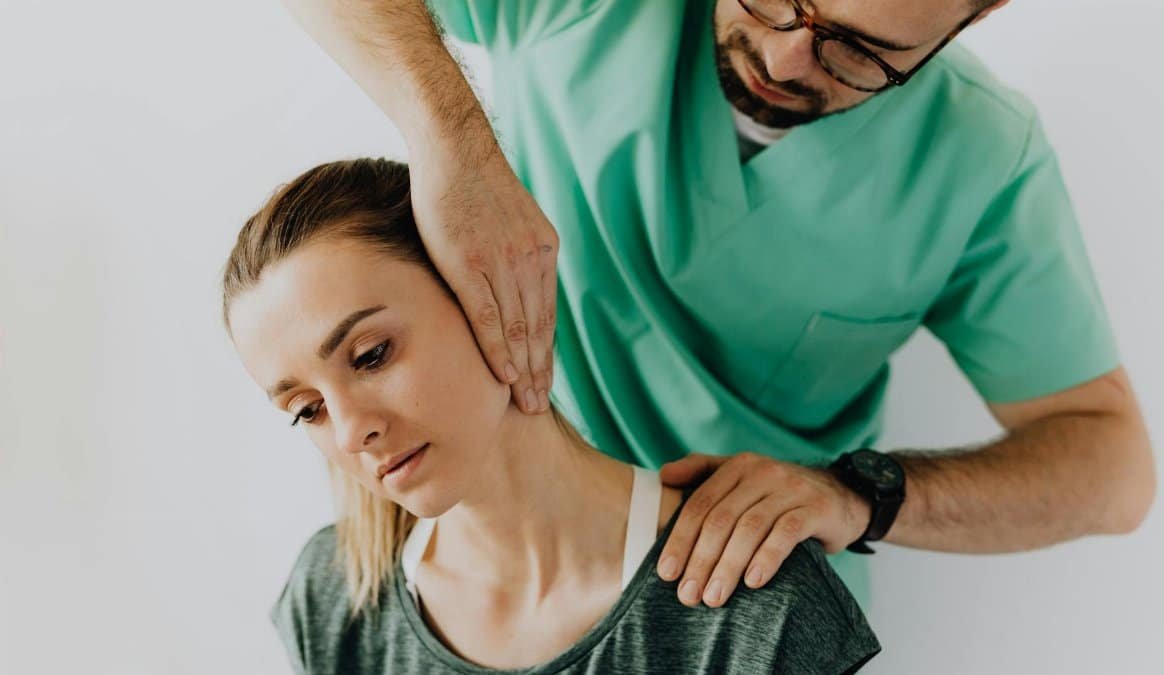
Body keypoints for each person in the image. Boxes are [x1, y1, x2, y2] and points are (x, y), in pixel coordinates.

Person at [278, 0, 1156, 613]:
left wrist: (858, 498)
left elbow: (1113, 470)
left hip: (725, 600)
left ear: (982, 12)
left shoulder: (983, 161)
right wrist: (450, 139)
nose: (783, 59)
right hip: (495, 559)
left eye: (859, 50)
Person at [221, 157, 882, 673]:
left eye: (370, 356)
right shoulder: (335, 598)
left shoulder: (750, 596)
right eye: (306, 409)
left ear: (493, 294)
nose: (349, 430)